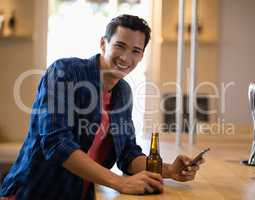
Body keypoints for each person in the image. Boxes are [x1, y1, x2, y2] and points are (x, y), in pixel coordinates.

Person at [0, 14, 204, 200]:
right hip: (33, 192)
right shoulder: (64, 71)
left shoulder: (123, 92)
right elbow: (56, 143)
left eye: (135, 51)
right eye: (120, 46)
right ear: (103, 43)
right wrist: (119, 182)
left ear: (141, 56)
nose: (125, 58)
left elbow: (128, 154)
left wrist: (168, 170)